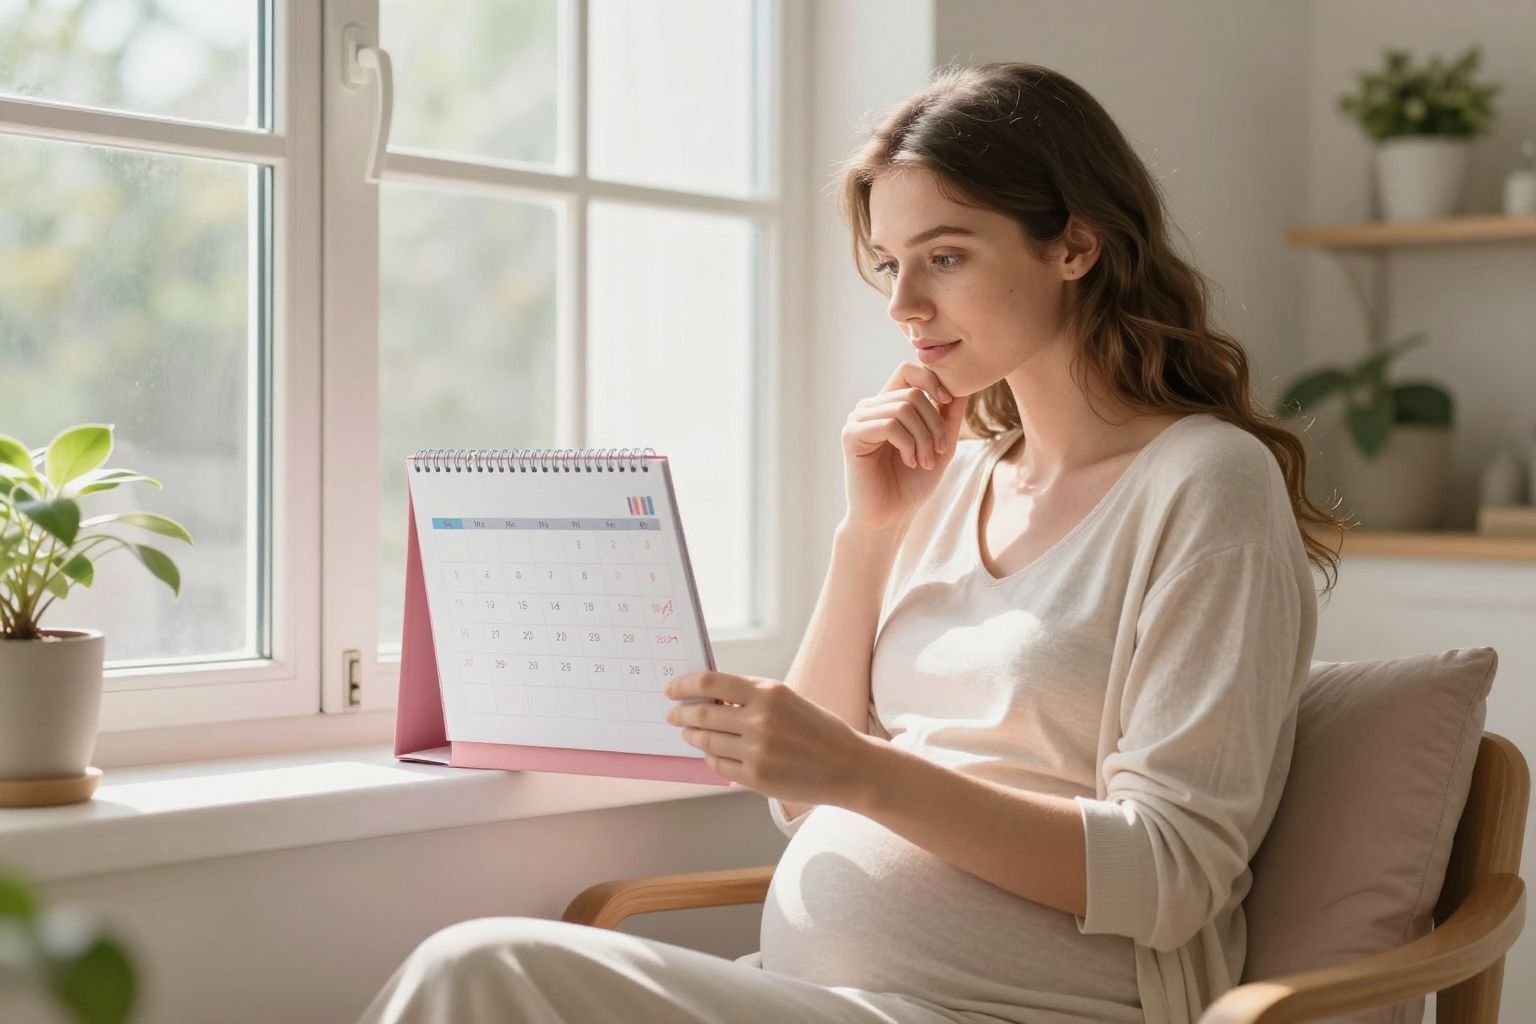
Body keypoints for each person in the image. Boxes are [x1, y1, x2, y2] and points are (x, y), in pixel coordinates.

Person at [354, 61, 1347, 1024]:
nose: (903, 306)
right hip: (824, 997)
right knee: (479, 975)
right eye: (888, 264)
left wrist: (862, 772)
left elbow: (1174, 873)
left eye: (945, 256)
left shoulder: (1206, 483)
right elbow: (798, 802)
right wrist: (869, 533)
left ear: (1075, 245)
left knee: (479, 970)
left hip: (1015, 1009)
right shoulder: (955, 482)